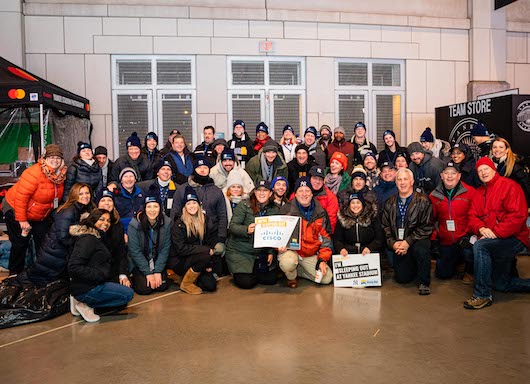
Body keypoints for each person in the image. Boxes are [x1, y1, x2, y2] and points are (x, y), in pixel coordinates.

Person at [464, 157, 530, 310]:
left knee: (481, 246)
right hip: (493, 238)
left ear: (493, 169)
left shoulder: (510, 186)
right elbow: (472, 216)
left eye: (486, 169)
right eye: (479, 171)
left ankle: (482, 295)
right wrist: (481, 228)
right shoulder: (479, 192)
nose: (483, 173)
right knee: (502, 284)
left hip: (515, 237)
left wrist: (495, 232)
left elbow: (518, 217)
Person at [2, 144, 67, 274]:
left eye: (58, 158)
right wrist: (22, 220)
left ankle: (40, 274)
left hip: (39, 214)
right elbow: (21, 198)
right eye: (51, 157)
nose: (55, 160)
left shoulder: (60, 175)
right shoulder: (34, 173)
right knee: (20, 244)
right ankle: (15, 276)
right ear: (44, 159)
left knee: (43, 242)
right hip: (16, 208)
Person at [68, 209, 134, 323]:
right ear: (93, 220)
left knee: (122, 298)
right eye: (102, 219)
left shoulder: (98, 236)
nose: (106, 223)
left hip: (95, 282)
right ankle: (86, 303)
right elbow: (73, 267)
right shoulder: (87, 239)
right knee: (127, 295)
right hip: (88, 286)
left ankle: (81, 300)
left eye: (108, 220)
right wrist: (99, 275)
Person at [26, 183, 95, 285]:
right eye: (81, 194)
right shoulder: (68, 211)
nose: (85, 196)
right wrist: (81, 243)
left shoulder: (84, 209)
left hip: (59, 253)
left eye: (87, 193)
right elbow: (63, 238)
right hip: (55, 253)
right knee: (40, 282)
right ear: (74, 195)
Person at [170, 157, 228, 274]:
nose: (202, 170)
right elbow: (175, 214)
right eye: (199, 167)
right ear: (194, 169)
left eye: (205, 167)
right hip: (189, 239)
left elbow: (222, 215)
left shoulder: (216, 190)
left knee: (215, 275)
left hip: (211, 236)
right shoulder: (182, 189)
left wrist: (221, 239)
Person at [382, 168, 433, 295]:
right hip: (398, 243)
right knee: (402, 279)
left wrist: (408, 242)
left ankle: (423, 282)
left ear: (412, 182)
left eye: (405, 179)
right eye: (399, 179)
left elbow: (427, 227)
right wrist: (393, 243)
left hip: (416, 241)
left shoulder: (423, 201)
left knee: (423, 248)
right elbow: (385, 226)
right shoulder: (389, 202)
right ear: (396, 182)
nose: (402, 182)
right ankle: (413, 267)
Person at [278, 177, 333, 287]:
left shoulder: (321, 212)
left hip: (310, 254)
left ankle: (299, 269)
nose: (304, 194)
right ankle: (291, 276)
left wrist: (322, 260)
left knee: (327, 278)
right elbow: (278, 235)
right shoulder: (286, 210)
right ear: (295, 194)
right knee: (287, 263)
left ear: (312, 194)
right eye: (300, 191)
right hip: (291, 252)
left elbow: (326, 241)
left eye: (307, 190)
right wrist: (278, 247)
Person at [226, 180, 280, 289]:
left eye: (265, 190)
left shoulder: (274, 209)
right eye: (258, 190)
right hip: (241, 251)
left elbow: (274, 234)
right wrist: (246, 229)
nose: (261, 193)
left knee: (271, 280)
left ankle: (255, 269)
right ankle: (243, 272)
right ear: (254, 192)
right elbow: (232, 226)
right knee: (246, 283)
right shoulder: (244, 205)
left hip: (260, 251)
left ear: (270, 193)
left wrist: (271, 252)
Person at [429, 162, 475, 282]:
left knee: (469, 253)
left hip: (465, 239)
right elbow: (431, 220)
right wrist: (434, 239)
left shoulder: (470, 192)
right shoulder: (434, 195)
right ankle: (456, 263)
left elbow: (475, 216)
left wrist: (470, 235)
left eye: (453, 173)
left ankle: (468, 269)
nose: (450, 176)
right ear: (441, 175)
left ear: (459, 176)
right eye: (446, 173)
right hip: (446, 240)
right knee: (443, 274)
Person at [167, 187, 219, 294]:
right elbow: (181, 249)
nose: (192, 206)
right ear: (184, 207)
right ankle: (186, 284)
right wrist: (205, 250)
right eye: (188, 204)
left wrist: (209, 263)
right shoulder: (179, 224)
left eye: (194, 203)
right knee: (205, 255)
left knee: (210, 285)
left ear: (199, 205)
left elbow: (210, 240)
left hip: (199, 258)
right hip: (180, 260)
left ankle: (184, 277)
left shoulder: (205, 219)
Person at [128, 188, 171, 295]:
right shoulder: (134, 224)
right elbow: (135, 251)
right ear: (144, 208)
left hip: (156, 261)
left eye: (155, 206)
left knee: (162, 286)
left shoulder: (167, 223)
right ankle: (134, 277)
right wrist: (148, 272)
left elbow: (165, 249)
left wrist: (157, 271)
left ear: (160, 208)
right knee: (145, 289)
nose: (152, 210)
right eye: (149, 206)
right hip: (140, 262)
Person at [334, 192, 384, 261]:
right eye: (353, 203)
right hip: (349, 255)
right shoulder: (343, 218)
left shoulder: (372, 216)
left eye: (358, 202)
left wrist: (370, 248)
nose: (355, 205)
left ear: (362, 204)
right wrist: (341, 249)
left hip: (368, 254)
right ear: (349, 205)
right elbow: (337, 239)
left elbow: (379, 238)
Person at [96, 189, 131, 288]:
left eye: (109, 200)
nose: (106, 203)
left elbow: (121, 252)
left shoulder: (118, 225)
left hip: (112, 269)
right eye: (103, 200)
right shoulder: (91, 223)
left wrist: (123, 274)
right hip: (95, 271)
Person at [490, 137, 530, 207]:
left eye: (501, 147)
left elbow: (527, 187)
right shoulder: (494, 165)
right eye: (495, 147)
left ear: (507, 150)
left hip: (516, 206)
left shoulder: (515, 167)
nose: (497, 150)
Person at [308, 166, 339, 233]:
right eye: (315, 178)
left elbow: (331, 221)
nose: (317, 182)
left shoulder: (330, 197)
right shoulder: (300, 192)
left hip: (321, 235)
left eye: (320, 179)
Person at [113, 167, 144, 234]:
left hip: (139, 229)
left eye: (131, 176)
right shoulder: (115, 195)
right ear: (121, 180)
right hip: (120, 229)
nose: (128, 179)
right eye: (125, 176)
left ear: (135, 179)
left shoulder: (142, 193)